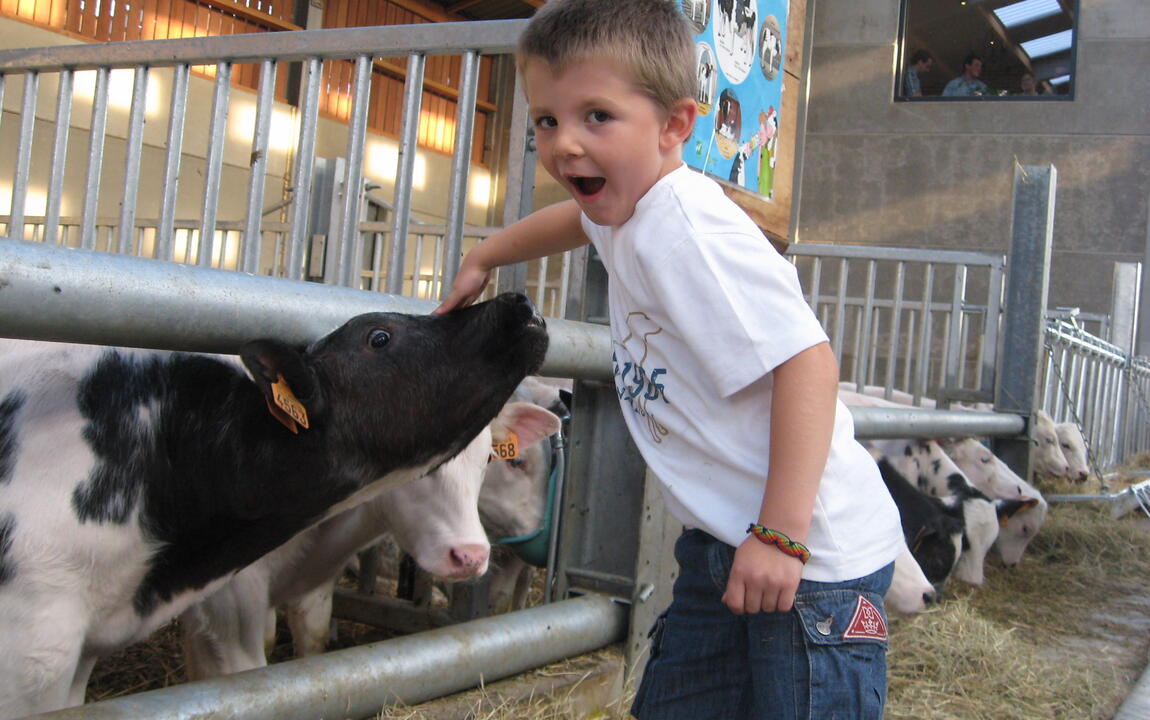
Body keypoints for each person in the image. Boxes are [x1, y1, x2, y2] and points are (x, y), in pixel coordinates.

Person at [434, 1, 904, 717]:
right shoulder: (626, 205)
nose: (564, 145)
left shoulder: (687, 231)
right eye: (547, 120)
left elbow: (808, 364)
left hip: (809, 563)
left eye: (597, 116)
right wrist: (487, 255)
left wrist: (780, 535)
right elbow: (576, 217)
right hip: (721, 544)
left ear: (676, 125)